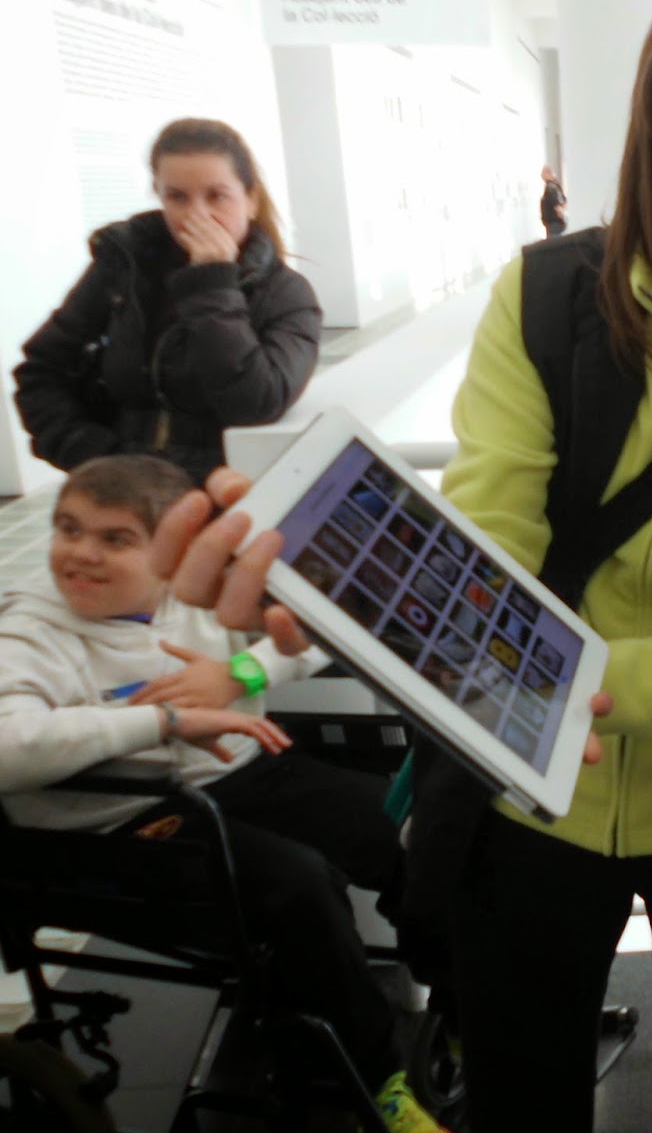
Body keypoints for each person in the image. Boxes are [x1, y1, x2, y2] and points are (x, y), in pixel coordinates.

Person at [150, 0, 652, 1132]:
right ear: (646, 148)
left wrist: (571, 688)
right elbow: (491, 539)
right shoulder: (550, 297)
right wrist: (367, 604)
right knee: (518, 1098)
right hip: (521, 804)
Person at [0, 455, 447, 1133]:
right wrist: (164, 721)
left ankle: (460, 1004)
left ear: (172, 552)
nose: (81, 553)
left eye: (115, 538)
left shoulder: (198, 592)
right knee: (301, 885)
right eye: (69, 528)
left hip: (240, 776)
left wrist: (238, 674)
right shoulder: (30, 630)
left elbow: (317, 630)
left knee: (412, 835)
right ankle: (375, 1080)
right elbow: (10, 745)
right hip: (127, 821)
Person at [13, 117, 322, 487]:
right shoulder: (124, 267)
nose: (197, 215)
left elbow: (256, 403)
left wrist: (213, 284)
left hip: (226, 489)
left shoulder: (287, 294)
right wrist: (99, 459)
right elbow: (41, 371)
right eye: (177, 197)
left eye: (216, 196)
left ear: (251, 200)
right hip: (123, 488)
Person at [539, 164, 567, 237]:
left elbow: (557, 206)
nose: (541, 176)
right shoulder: (557, 186)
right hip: (557, 224)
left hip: (553, 225)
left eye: (543, 173)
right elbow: (563, 202)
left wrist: (560, 214)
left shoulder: (550, 188)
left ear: (548, 173)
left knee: (554, 242)